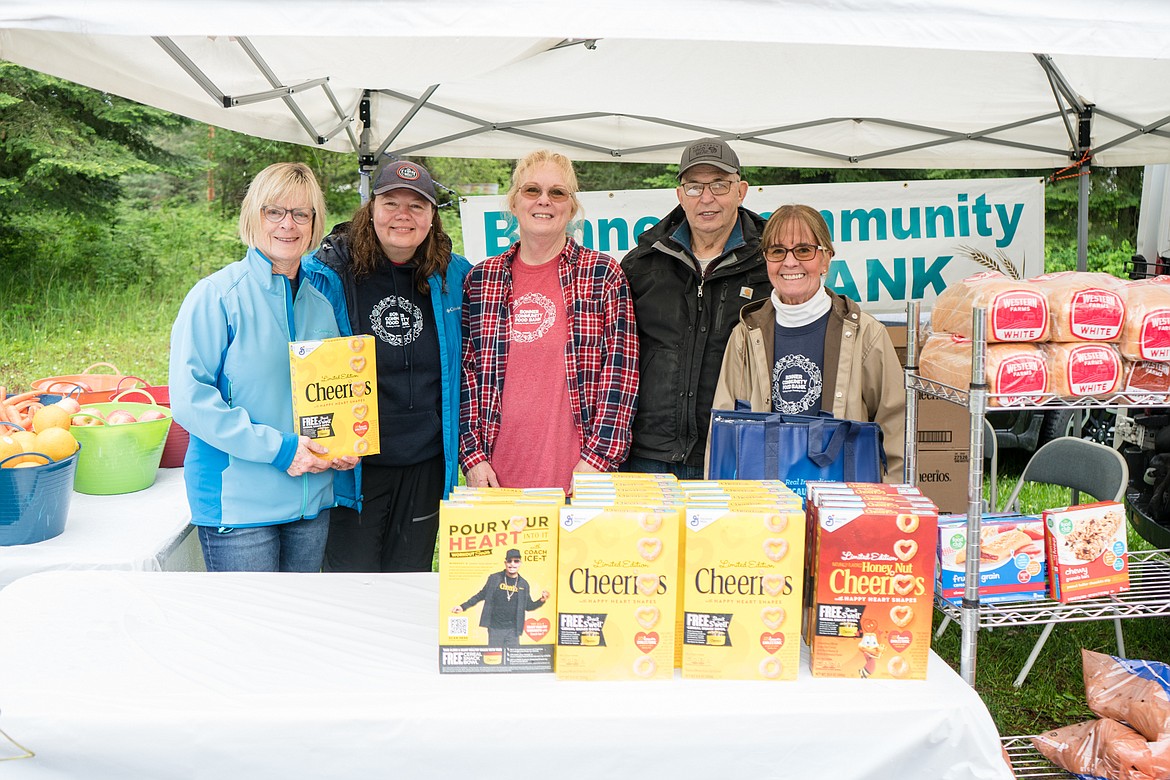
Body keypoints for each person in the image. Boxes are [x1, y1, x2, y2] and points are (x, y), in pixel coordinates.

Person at [169, 162, 357, 572]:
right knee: (248, 635)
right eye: (275, 211)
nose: (287, 225)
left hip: (311, 503)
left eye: (301, 214)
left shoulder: (320, 305)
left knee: (298, 629)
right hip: (240, 510)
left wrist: (343, 444)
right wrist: (281, 450)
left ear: (313, 223)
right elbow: (189, 401)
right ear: (254, 217)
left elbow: (332, 390)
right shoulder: (216, 296)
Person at [304, 161, 471, 572]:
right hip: (355, 467)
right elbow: (302, 364)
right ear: (371, 208)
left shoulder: (456, 276)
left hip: (426, 463)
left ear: (433, 216)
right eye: (391, 202)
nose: (403, 215)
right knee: (352, 584)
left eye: (417, 206)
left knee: (409, 582)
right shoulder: (326, 275)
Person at [459, 149, 639, 494]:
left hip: (579, 479)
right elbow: (467, 376)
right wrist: (472, 457)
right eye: (532, 190)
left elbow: (622, 372)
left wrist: (598, 460)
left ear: (571, 207)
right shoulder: (482, 279)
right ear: (514, 203)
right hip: (496, 481)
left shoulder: (602, 275)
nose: (544, 201)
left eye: (557, 192)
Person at [710, 203, 904, 478]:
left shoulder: (867, 334)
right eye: (778, 251)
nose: (790, 262)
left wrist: (887, 504)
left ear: (825, 259)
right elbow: (723, 432)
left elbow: (896, 427)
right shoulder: (744, 335)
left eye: (804, 250)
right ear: (766, 260)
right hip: (767, 507)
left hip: (843, 500)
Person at [620, 138, 772, 479]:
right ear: (679, 195)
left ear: (741, 190)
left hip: (733, 452)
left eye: (719, 184)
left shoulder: (770, 263)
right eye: (694, 187)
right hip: (648, 453)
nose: (706, 198)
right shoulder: (642, 263)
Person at [451, 548, 549, 647]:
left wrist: (541, 600)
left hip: (513, 630)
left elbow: (528, 606)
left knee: (512, 658)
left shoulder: (523, 584)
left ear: (520, 563)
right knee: (495, 658)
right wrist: (463, 606)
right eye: (509, 561)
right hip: (495, 628)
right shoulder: (494, 578)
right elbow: (481, 595)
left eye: (516, 561)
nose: (512, 564)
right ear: (505, 563)